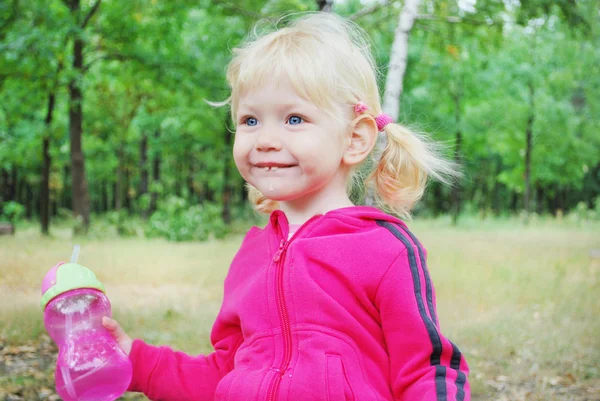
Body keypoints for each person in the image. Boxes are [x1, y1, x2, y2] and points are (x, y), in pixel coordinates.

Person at [103, 12, 470, 401]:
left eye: (294, 119)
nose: (265, 139)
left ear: (355, 139)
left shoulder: (386, 249)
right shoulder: (251, 255)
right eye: (250, 120)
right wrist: (135, 361)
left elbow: (427, 371)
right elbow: (225, 373)